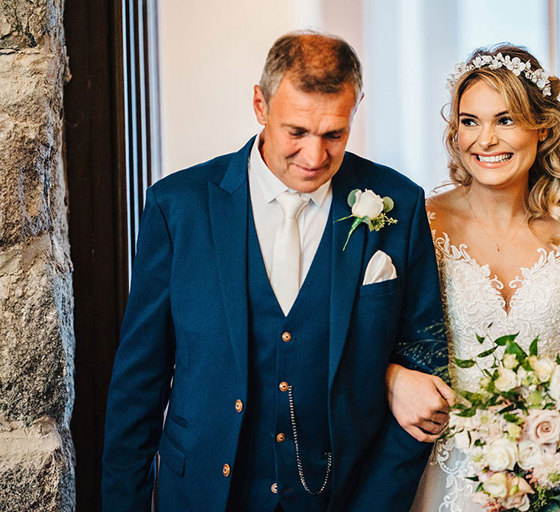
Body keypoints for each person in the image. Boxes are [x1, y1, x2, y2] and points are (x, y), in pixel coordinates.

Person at [101, 31, 453, 512]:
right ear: (260, 105)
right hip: (203, 492)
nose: (314, 158)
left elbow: (425, 369)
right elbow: (138, 383)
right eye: (297, 132)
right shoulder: (177, 207)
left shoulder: (400, 203)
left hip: (345, 495)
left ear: (357, 108)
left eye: (334, 134)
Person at [385, 44, 560, 511]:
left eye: (505, 120)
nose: (484, 140)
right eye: (470, 121)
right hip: (443, 471)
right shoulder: (419, 224)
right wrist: (393, 378)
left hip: (553, 474)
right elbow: (370, 342)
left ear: (542, 128)